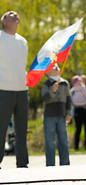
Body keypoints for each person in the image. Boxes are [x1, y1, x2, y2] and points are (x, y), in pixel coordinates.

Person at [0, 11, 29, 168]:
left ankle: (22, 163)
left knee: (22, 129)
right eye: (10, 14)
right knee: (1, 128)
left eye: (17, 14)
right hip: (2, 88)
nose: (15, 14)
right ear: (4, 21)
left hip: (22, 89)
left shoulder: (23, 41)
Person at [41, 64, 71, 166]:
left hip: (62, 115)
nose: (56, 66)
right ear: (47, 72)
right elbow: (45, 98)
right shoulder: (46, 84)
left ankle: (65, 164)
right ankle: (50, 164)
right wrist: (52, 91)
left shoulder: (64, 83)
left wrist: (69, 113)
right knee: (50, 141)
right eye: (52, 66)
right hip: (49, 116)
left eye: (56, 65)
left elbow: (68, 99)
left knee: (63, 140)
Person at [70, 75, 86, 150]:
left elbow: (71, 100)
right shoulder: (82, 87)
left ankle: (76, 146)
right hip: (85, 109)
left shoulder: (72, 90)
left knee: (78, 129)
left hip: (77, 110)